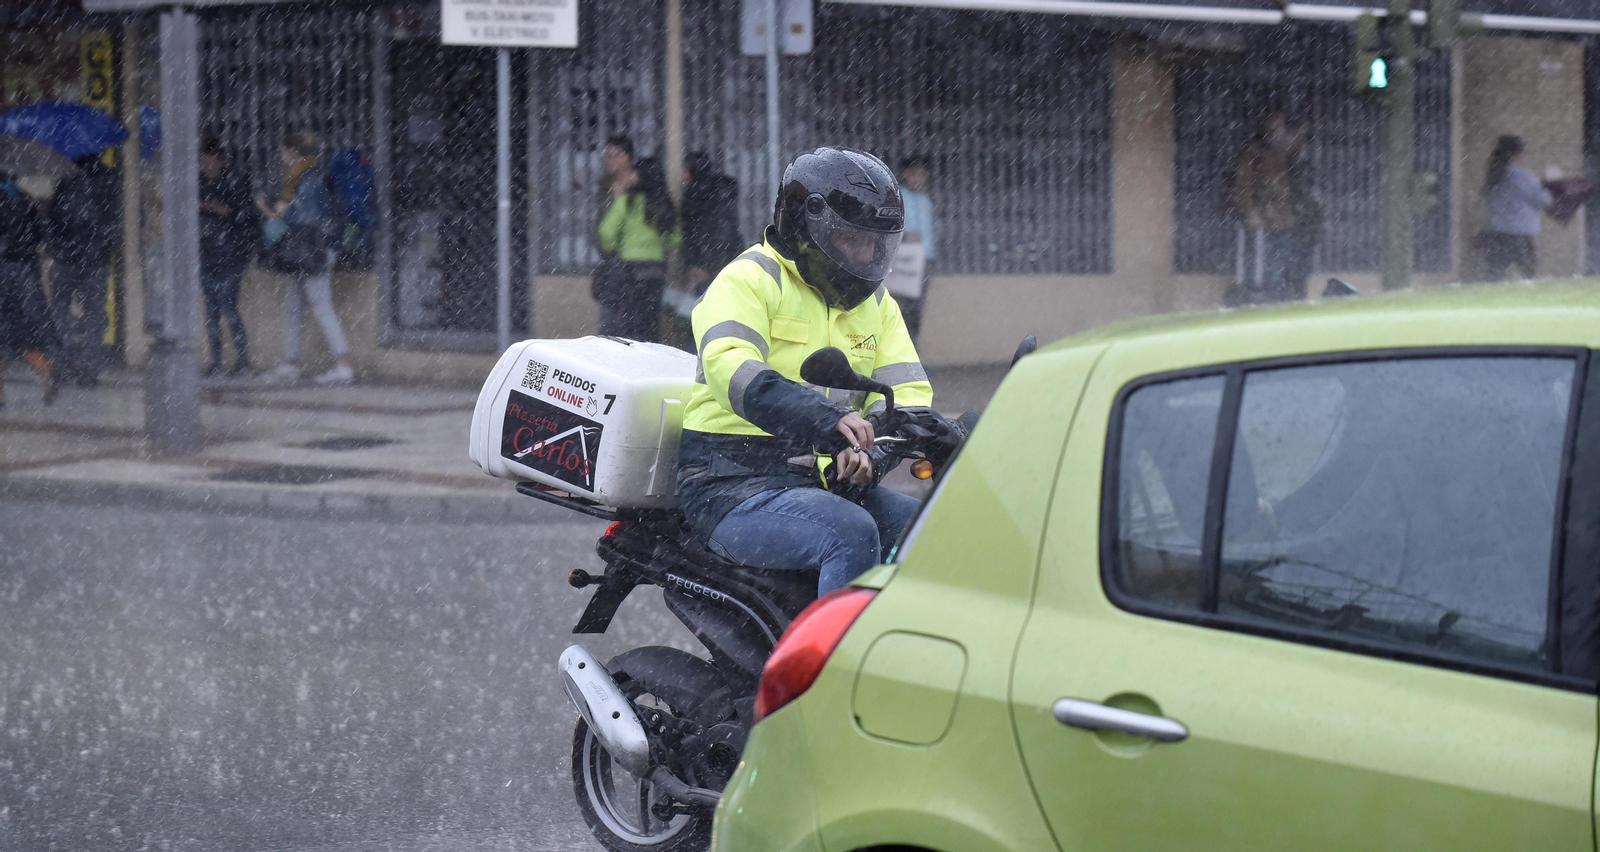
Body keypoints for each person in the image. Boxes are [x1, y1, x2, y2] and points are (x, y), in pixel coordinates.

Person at [677, 147, 932, 596]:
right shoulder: (749, 280)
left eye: (877, 242)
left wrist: (873, 451)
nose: (868, 253)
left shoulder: (875, 302)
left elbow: (906, 390)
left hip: (819, 479)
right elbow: (732, 369)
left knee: (931, 532)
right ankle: (835, 665)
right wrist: (827, 421)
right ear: (807, 226)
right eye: (853, 238)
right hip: (730, 481)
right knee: (848, 531)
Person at [255, 130, 354, 385]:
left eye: (283, 151)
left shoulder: (307, 179)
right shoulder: (302, 177)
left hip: (313, 250)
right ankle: (291, 363)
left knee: (320, 305)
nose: (281, 156)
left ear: (293, 151)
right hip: (309, 250)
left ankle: (343, 365)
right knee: (294, 305)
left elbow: (303, 219)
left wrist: (276, 210)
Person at [46, 152, 119, 385]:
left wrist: (56, 245)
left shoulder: (66, 179)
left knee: (59, 310)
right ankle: (89, 369)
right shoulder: (109, 179)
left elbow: (55, 218)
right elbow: (114, 220)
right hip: (96, 259)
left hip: (66, 258)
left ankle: (66, 360)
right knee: (96, 316)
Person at [595, 142, 678, 342]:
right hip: (656, 268)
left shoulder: (629, 200)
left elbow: (606, 232)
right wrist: (658, 248)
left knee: (627, 321)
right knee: (649, 322)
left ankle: (627, 363)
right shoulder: (663, 202)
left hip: (630, 267)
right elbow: (675, 237)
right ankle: (648, 359)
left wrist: (613, 247)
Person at [1230, 111, 1314, 304]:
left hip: (1285, 219)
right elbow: (1242, 186)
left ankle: (1277, 300)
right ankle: (1258, 301)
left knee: (1282, 267)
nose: (1278, 132)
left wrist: (1301, 130)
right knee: (1259, 270)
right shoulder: (1254, 153)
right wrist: (1250, 212)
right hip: (1263, 220)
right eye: (1274, 128)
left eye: (1281, 127)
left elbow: (1296, 145)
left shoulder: (1284, 151)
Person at [199, 136, 258, 377]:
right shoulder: (198, 182)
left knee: (229, 308)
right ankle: (217, 362)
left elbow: (236, 212)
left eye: (212, 163)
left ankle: (243, 361)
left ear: (221, 161)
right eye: (205, 163)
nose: (208, 168)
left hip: (231, 255)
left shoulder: (234, 182)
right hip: (206, 255)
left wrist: (208, 206)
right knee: (212, 312)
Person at [0, 172, 58, 408]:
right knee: (22, 332)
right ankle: (46, 372)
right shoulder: (25, 199)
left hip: (2, 270)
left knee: (3, 335)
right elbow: (39, 235)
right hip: (25, 272)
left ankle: (1, 395)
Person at [1481, 135, 1552, 281]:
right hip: (1522, 236)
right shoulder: (1523, 176)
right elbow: (1544, 200)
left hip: (1497, 234)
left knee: (1494, 277)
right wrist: (1548, 186)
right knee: (1529, 277)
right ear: (1518, 154)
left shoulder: (1493, 176)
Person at [681, 151, 742, 295]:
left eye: (685, 169)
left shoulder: (702, 197)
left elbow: (712, 234)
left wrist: (705, 266)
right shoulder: (710, 194)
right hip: (723, 263)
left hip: (713, 265)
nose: (682, 174)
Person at [895, 154, 936, 340]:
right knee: (899, 306)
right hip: (901, 260)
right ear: (905, 175)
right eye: (913, 174)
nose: (917, 179)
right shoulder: (898, 196)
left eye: (921, 174)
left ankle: (912, 351)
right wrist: (904, 237)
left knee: (917, 308)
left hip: (923, 260)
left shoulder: (926, 200)